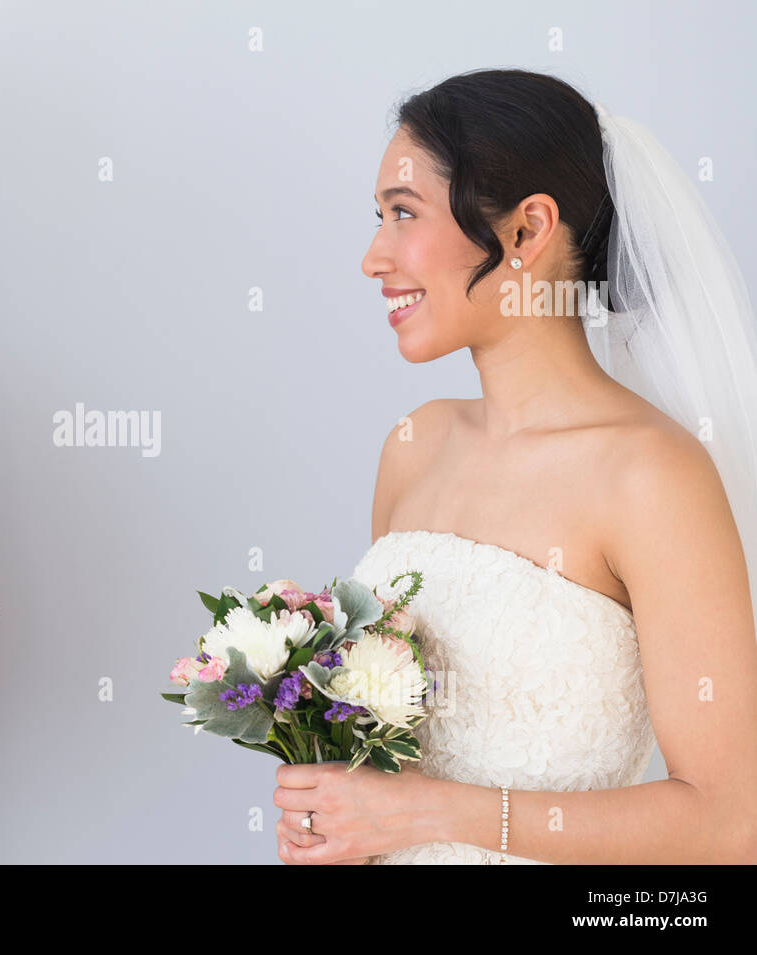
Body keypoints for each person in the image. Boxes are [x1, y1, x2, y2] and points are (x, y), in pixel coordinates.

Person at [274, 68, 757, 864]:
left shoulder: (651, 476)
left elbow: (728, 823)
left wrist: (425, 811)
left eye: (404, 213)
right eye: (379, 217)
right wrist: (336, 812)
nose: (372, 256)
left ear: (529, 231)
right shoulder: (413, 446)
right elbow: (389, 753)